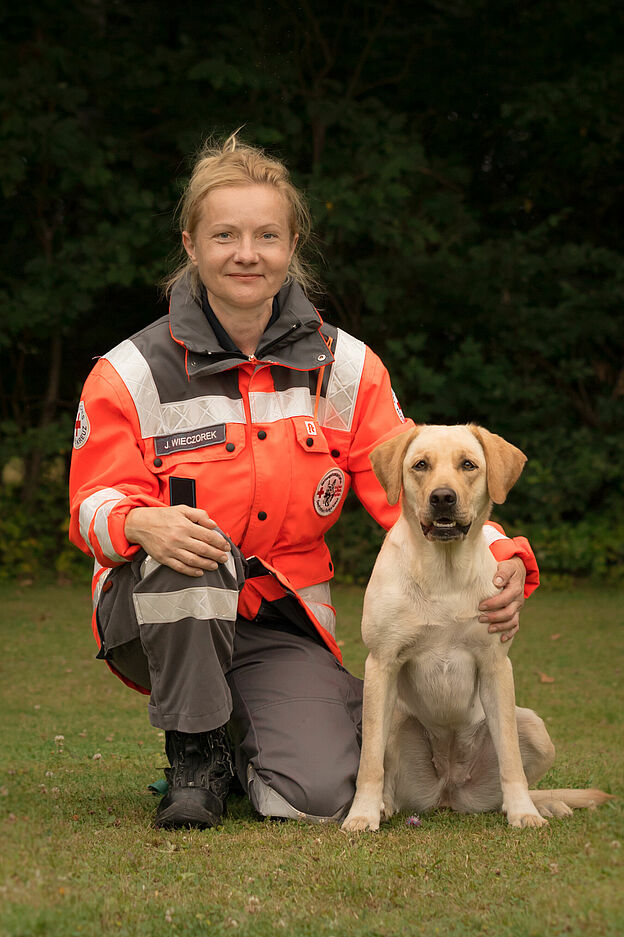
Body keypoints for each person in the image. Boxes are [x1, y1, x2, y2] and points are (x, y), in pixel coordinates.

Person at [69, 134, 539, 830]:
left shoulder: (347, 367)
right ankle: (194, 755)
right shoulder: (128, 370)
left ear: (293, 245)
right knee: (196, 546)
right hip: (162, 610)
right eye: (224, 234)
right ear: (191, 244)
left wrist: (503, 560)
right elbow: (90, 504)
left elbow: (412, 492)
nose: (246, 253)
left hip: (280, 617)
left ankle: (248, 737)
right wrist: (140, 522)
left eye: (267, 235)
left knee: (314, 799)